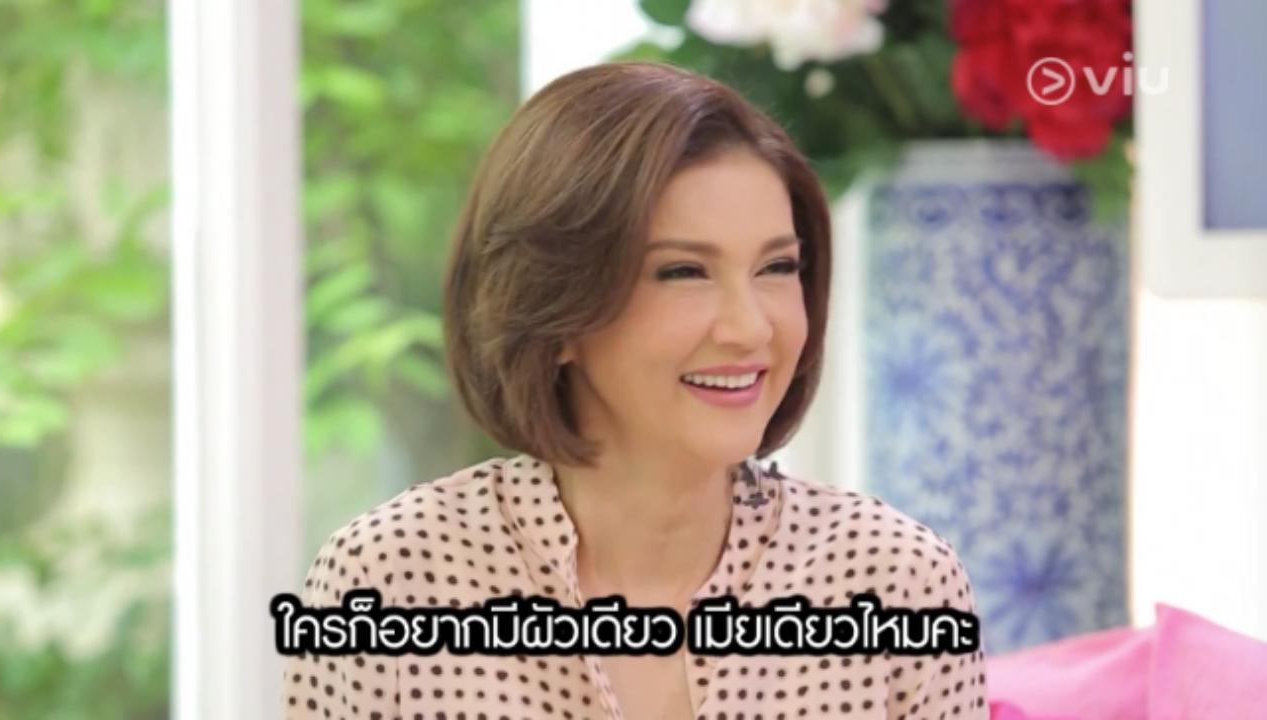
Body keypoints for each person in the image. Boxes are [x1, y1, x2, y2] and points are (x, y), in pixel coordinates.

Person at [281, 60, 988, 719]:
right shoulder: (388, 582)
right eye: (683, 272)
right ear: (555, 311)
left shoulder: (896, 582)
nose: (750, 328)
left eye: (777, 268)